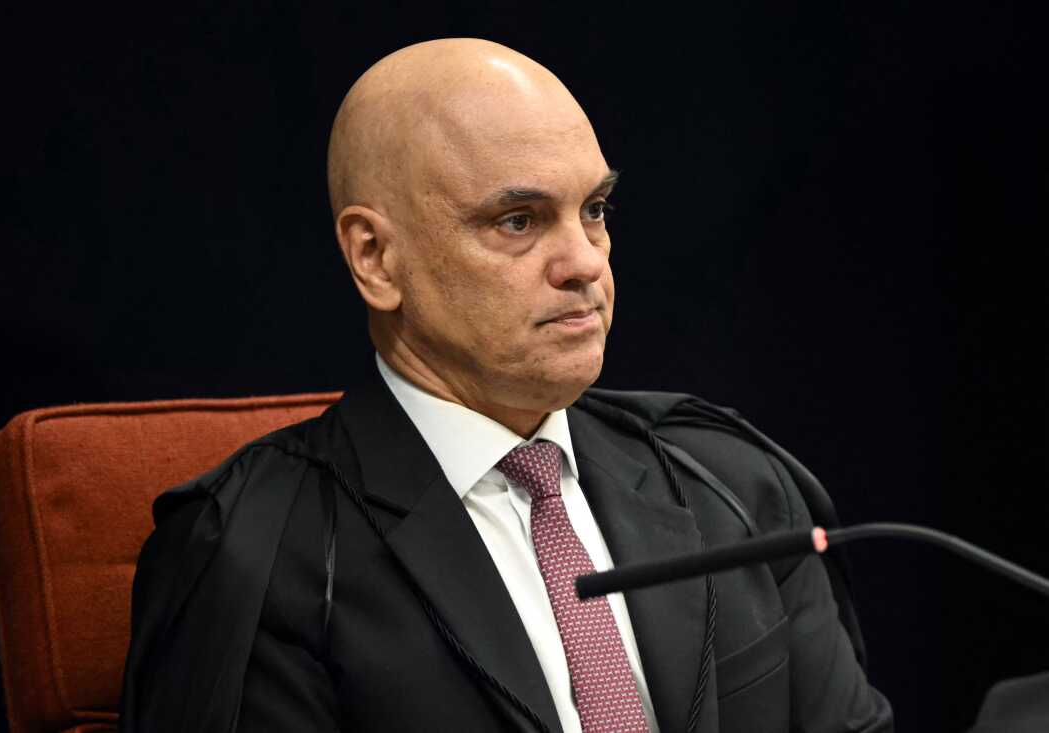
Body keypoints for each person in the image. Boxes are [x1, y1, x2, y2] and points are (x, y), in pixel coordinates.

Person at [119, 38, 893, 732]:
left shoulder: (729, 480)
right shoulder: (256, 550)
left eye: (595, 210)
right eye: (518, 220)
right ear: (376, 258)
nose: (584, 262)